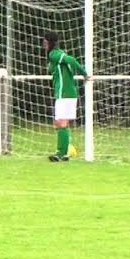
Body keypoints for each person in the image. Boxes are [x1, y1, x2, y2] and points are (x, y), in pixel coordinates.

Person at [42, 31, 91, 162]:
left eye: (45, 41)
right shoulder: (57, 54)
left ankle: (60, 152)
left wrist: (84, 74)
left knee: (60, 122)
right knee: (60, 122)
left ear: (48, 42)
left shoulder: (54, 54)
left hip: (64, 92)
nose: (43, 44)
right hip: (67, 92)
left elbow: (71, 60)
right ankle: (64, 152)